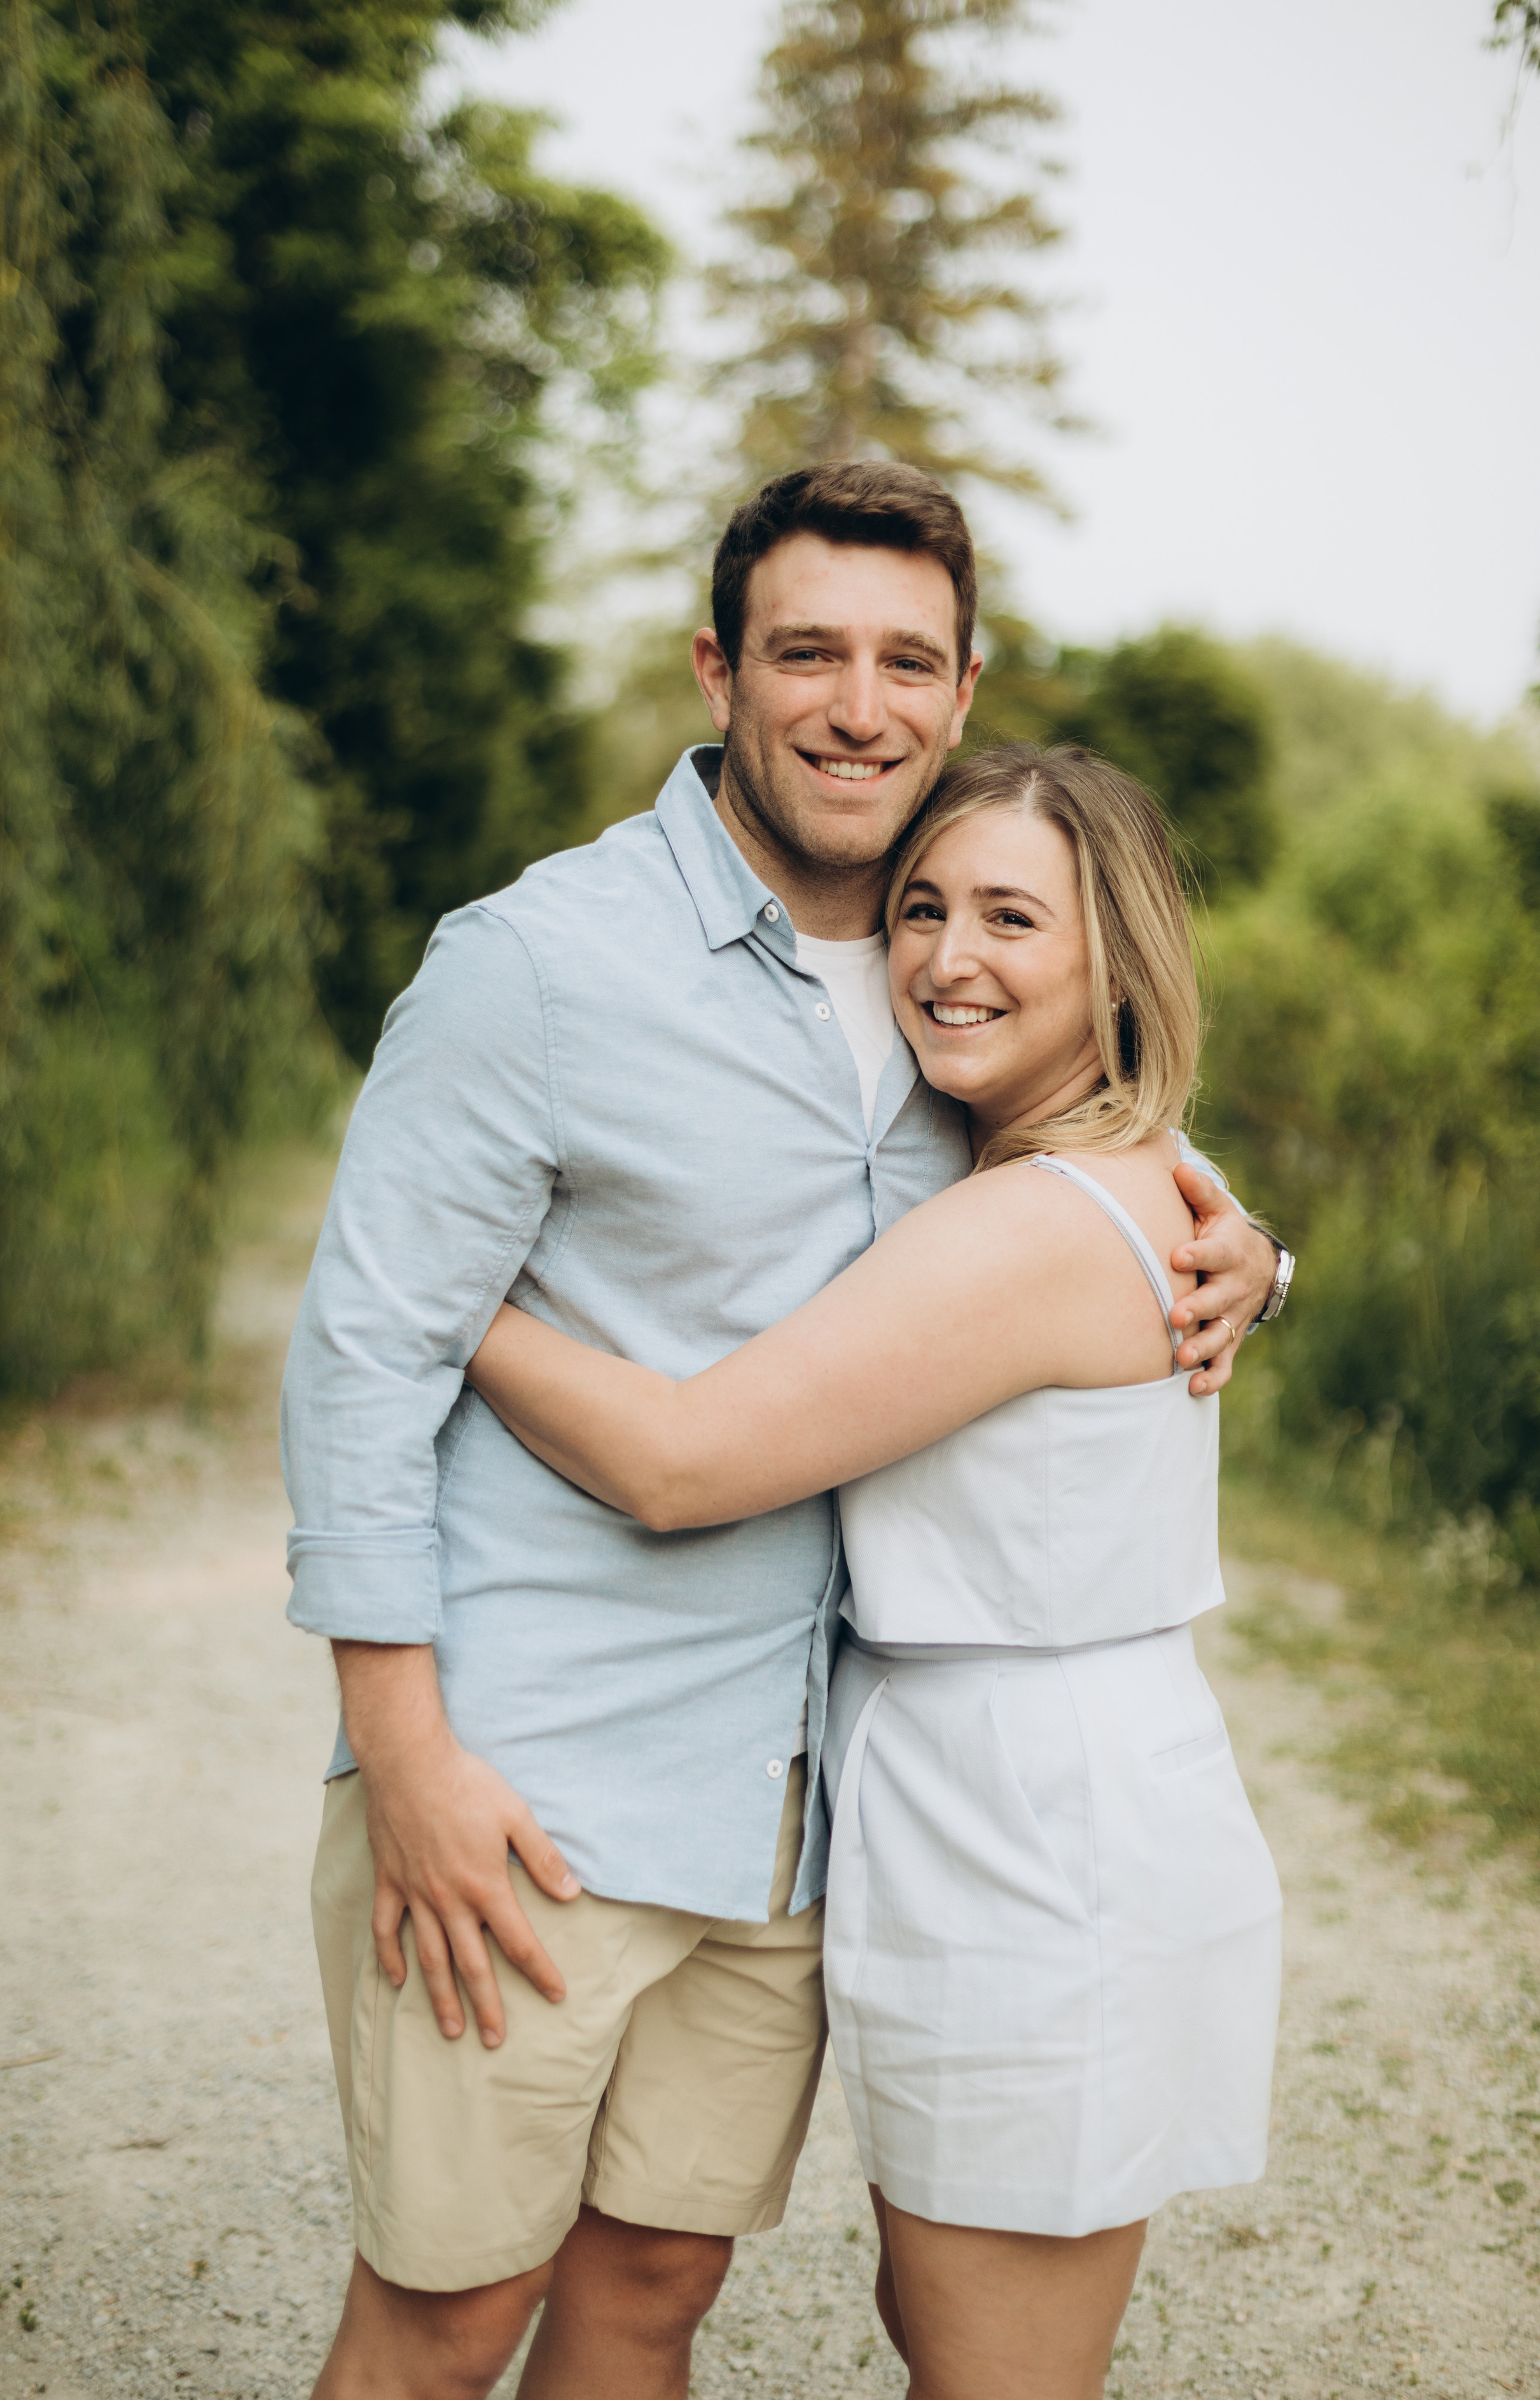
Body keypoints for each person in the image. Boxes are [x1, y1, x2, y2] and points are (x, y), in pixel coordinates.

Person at [281, 463, 1286, 2400]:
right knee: (448, 2314)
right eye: (808, 651)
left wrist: (1257, 1243)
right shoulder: (539, 963)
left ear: (966, 688)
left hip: (792, 1822)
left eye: (909, 660)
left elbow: (1095, 1159)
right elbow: (358, 1366)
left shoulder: (943, 1007)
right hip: (533, 1782)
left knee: (652, 2290)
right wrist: (401, 1750)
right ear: (717, 668)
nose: (859, 703)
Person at [465, 741, 1284, 2400]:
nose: (947, 958)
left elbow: (685, 1461)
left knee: (992, 2365)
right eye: (920, 910)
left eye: (1010, 919)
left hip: (1037, 1830)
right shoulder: (1103, 1180)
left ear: (1118, 962)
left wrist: (453, 1305)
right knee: (958, 2325)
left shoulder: (1030, 1223)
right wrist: (1270, 1263)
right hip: (997, 1794)